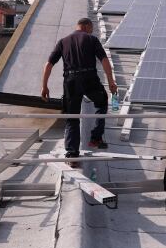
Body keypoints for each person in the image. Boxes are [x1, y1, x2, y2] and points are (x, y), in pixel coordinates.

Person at [41, 17, 116, 165]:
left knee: (72, 116)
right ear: (87, 26)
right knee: (102, 102)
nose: (92, 31)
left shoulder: (63, 42)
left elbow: (49, 64)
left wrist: (44, 86)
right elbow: (104, 60)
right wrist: (111, 82)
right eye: (91, 28)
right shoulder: (91, 40)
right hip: (89, 79)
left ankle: (72, 155)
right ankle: (95, 137)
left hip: (71, 81)